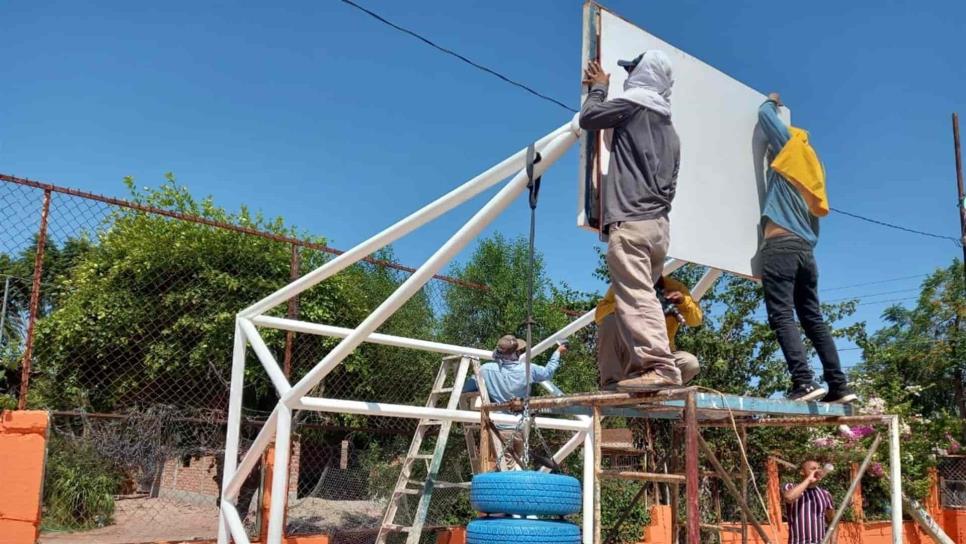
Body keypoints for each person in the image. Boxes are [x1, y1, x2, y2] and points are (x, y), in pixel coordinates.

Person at [579, 51, 682, 392]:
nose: (626, 76)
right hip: (658, 227)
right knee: (637, 300)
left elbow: (590, 117)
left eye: (631, 70)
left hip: (633, 222)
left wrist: (598, 88)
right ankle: (642, 369)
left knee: (636, 298)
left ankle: (659, 367)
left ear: (643, 75)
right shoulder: (670, 130)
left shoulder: (634, 104)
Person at [757, 93, 856, 403]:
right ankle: (838, 385)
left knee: (782, 316)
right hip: (805, 252)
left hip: (781, 248)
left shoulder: (790, 149)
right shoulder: (813, 174)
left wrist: (772, 101)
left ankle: (803, 381)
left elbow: (764, 115)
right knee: (813, 318)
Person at [463, 334, 567, 465]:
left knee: (506, 468)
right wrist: (558, 352)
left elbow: (466, 388)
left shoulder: (485, 369)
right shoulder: (528, 369)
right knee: (514, 467)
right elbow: (548, 372)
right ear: (516, 353)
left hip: (498, 427)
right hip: (519, 428)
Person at [595, 276, 702, 391]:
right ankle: (612, 384)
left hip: (661, 359)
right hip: (630, 356)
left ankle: (658, 387)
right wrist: (628, 303)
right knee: (609, 321)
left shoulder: (674, 287)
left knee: (690, 363)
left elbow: (696, 320)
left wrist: (682, 301)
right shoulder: (623, 285)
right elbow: (599, 315)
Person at [782, 459, 836, 544]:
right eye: (813, 469)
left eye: (818, 468)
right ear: (802, 472)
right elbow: (789, 498)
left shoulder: (825, 494)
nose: (817, 471)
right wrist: (808, 480)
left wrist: (833, 542)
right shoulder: (790, 487)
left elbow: (832, 521)